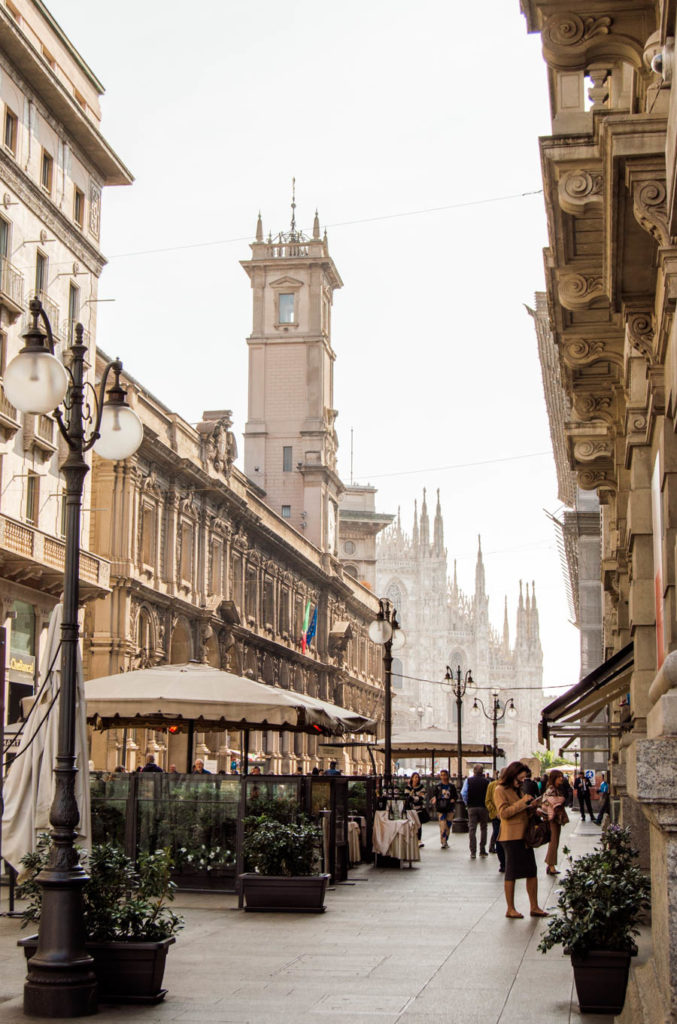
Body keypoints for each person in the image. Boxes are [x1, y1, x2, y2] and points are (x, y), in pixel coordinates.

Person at [494, 760, 547, 919]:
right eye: (521, 778)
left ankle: (534, 906)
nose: (523, 781)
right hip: (510, 836)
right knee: (511, 873)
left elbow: (520, 808)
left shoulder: (517, 790)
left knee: (532, 871)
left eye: (524, 779)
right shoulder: (500, 790)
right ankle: (510, 908)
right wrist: (523, 802)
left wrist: (532, 808)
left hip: (523, 835)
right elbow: (503, 813)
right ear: (513, 775)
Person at [541, 769, 569, 875]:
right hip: (553, 819)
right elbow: (548, 801)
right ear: (554, 778)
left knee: (555, 841)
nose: (561, 778)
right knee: (554, 841)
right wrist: (560, 799)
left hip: (556, 818)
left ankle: (550, 864)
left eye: (561, 776)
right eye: (559, 777)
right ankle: (551, 866)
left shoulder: (556, 788)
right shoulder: (551, 789)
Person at [462, 764, 490, 859]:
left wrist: (467, 803)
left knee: (472, 828)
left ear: (473, 771)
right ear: (482, 771)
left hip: (472, 807)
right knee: (484, 827)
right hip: (483, 807)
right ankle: (482, 849)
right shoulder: (487, 782)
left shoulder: (468, 780)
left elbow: (463, 793)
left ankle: (473, 851)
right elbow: (489, 795)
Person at [431, 769, 457, 849]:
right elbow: (434, 795)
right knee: (443, 825)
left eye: (444, 775)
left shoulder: (451, 786)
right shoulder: (438, 786)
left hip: (449, 808)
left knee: (448, 825)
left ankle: (446, 839)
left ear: (447, 776)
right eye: (441, 775)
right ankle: (443, 841)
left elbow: (455, 795)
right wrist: (434, 799)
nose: (443, 777)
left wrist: (453, 799)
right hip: (441, 808)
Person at [485, 776, 505, 873]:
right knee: (498, 837)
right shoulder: (492, 785)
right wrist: (494, 813)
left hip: (508, 817)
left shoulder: (511, 787)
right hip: (496, 817)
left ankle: (507, 862)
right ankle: (503, 863)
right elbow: (488, 801)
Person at [405, 771, 427, 846]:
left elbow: (422, 797)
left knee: (419, 824)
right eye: (415, 777)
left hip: (419, 809)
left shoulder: (421, 787)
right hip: (411, 809)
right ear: (412, 778)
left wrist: (414, 797)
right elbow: (407, 797)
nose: (416, 779)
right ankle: (412, 839)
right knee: (411, 824)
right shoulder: (408, 787)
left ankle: (419, 840)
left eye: (417, 777)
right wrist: (416, 796)